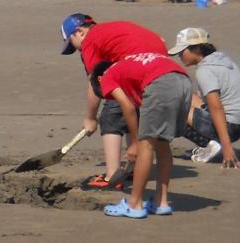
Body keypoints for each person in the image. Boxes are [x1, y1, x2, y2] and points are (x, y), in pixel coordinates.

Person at [60, 14, 167, 191]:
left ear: (79, 32)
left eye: (72, 44)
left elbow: (95, 82)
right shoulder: (115, 27)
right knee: (134, 115)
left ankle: (112, 176)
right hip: (161, 67)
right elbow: (159, 39)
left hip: (137, 66)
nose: (77, 50)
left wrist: (91, 118)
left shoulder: (90, 41)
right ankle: (135, 168)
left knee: (111, 116)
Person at [91, 53, 191, 219]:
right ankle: (161, 202)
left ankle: (134, 204)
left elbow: (128, 107)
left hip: (160, 83)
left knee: (146, 145)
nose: (111, 97)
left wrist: (135, 143)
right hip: (183, 80)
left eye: (108, 95)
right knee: (162, 143)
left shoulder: (108, 76)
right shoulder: (127, 66)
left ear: (100, 79)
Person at [169, 28, 240, 167]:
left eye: (182, 51)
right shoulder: (224, 60)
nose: (180, 56)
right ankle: (216, 144)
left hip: (231, 127)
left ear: (198, 49)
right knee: (190, 97)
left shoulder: (205, 70)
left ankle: (213, 146)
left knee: (175, 109)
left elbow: (216, 107)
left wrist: (227, 148)